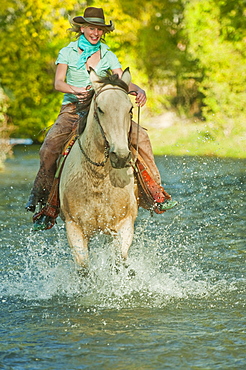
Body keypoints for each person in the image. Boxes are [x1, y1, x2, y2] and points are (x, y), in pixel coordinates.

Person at [26, 7, 177, 229]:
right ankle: (44, 202)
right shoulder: (67, 52)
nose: (95, 33)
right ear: (82, 28)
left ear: (103, 32)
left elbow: (120, 80)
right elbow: (58, 82)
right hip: (72, 108)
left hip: (104, 109)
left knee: (142, 137)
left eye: (99, 29)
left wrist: (138, 89)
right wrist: (74, 88)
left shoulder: (107, 54)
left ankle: (155, 192)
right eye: (91, 28)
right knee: (49, 147)